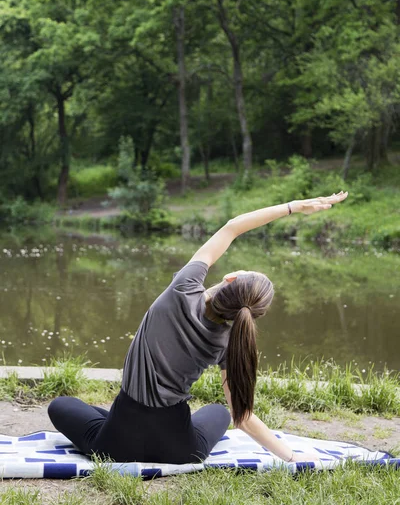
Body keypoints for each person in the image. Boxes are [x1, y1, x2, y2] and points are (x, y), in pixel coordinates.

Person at [48, 190, 348, 464]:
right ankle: (125, 423)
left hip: (116, 444)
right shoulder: (229, 342)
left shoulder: (184, 287)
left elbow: (232, 227)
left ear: (231, 278)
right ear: (251, 317)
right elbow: (242, 418)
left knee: (60, 405)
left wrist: (293, 207)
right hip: (180, 450)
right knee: (218, 412)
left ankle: (112, 421)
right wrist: (293, 457)